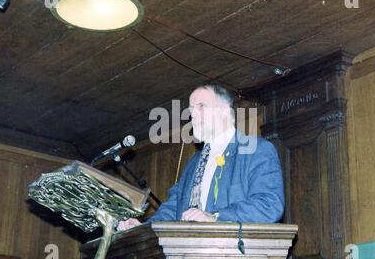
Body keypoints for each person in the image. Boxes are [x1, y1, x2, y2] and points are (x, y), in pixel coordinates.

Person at [117, 84, 284, 230]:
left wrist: (215, 217)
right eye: (191, 110)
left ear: (225, 111)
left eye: (201, 106)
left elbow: (269, 205)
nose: (193, 115)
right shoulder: (193, 164)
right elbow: (173, 209)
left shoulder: (256, 150)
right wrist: (144, 227)